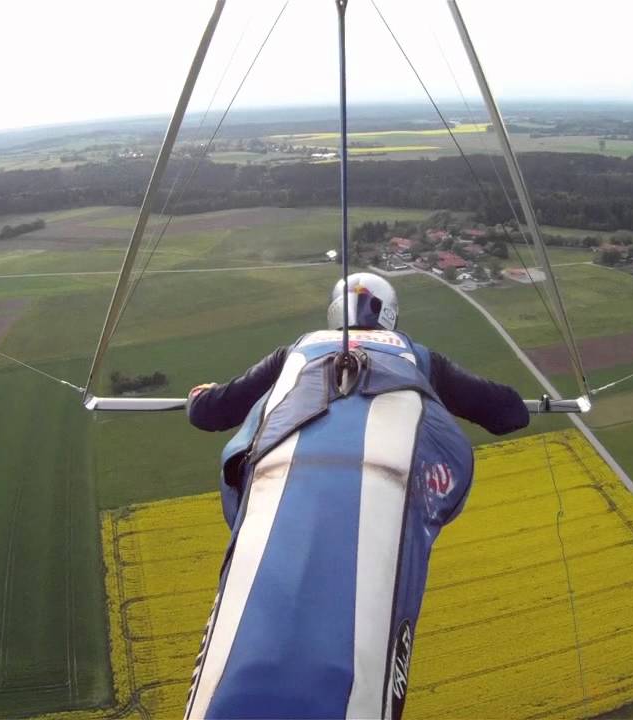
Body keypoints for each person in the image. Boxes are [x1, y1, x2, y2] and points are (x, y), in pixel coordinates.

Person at [183, 272, 530, 720]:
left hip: (285, 468)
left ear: (334, 311)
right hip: (387, 475)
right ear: (389, 314)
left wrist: (199, 397)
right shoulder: (418, 358)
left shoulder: (298, 350)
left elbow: (213, 411)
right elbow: (507, 413)